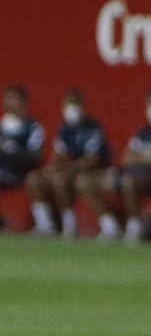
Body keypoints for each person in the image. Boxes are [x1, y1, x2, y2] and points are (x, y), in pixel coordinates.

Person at [81, 87, 151, 243]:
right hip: (129, 172)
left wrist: (141, 156)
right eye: (150, 104)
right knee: (85, 181)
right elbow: (127, 158)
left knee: (129, 182)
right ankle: (110, 225)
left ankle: (134, 228)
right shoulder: (142, 132)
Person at [25, 89, 109, 237]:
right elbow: (57, 155)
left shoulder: (93, 127)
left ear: (83, 106)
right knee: (34, 178)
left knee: (60, 180)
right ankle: (45, 225)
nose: (71, 108)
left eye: (74, 103)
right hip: (69, 170)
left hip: (90, 172)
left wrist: (69, 168)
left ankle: (69, 225)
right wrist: (51, 169)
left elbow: (93, 159)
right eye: (68, 104)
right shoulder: (65, 129)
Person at [1, 85, 47, 226]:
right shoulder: (2, 126)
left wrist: (14, 151)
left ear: (23, 102)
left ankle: (44, 224)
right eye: (6, 99)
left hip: (23, 172)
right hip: (3, 171)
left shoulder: (32, 127)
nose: (8, 103)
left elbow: (36, 157)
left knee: (33, 180)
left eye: (13, 99)